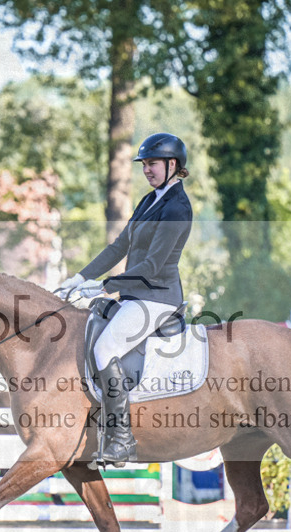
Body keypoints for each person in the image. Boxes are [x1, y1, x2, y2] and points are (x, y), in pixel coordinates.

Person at [57, 132, 193, 464]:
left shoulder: (177, 207)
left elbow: (153, 265)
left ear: (172, 165)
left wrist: (105, 286)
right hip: (137, 295)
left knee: (105, 348)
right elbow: (120, 246)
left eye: (153, 164)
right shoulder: (150, 200)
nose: (146, 170)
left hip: (158, 297)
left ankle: (121, 439)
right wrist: (81, 276)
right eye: (144, 164)